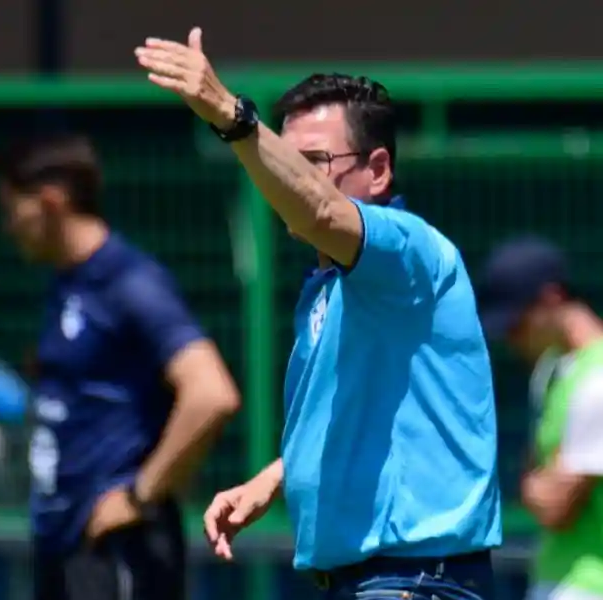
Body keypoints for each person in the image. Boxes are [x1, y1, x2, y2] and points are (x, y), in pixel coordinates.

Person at [136, 30, 501, 600]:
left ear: (377, 170)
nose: (293, 178)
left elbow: (324, 209)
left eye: (313, 162)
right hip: (375, 581)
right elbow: (372, 417)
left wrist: (231, 116)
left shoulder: (407, 249)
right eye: (287, 158)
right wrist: (275, 477)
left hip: (414, 581)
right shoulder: (331, 283)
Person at [0, 134, 240, 600]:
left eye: (13, 210)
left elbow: (212, 394)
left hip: (117, 548)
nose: (9, 227)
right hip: (65, 539)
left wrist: (139, 495)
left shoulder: (131, 282)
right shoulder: (68, 282)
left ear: (50, 201)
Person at [478, 238, 603, 600]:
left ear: (551, 298)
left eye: (519, 322)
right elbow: (534, 477)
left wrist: (541, 482)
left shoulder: (597, 379)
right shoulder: (553, 372)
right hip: (556, 578)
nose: (513, 337)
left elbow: (553, 506)